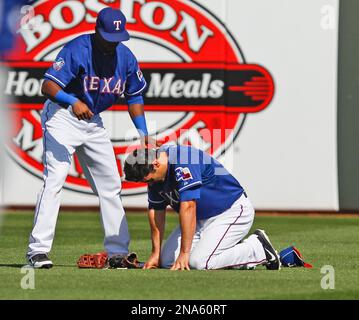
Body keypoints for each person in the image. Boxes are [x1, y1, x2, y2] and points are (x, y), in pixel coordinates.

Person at [26, 7, 154, 268]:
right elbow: (48, 85)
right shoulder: (78, 49)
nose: (113, 43)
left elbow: (135, 95)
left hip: (92, 121)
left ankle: (118, 253)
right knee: (55, 179)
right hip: (62, 116)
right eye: (109, 37)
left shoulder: (125, 57)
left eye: (118, 37)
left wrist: (143, 134)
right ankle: (37, 250)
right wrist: (72, 101)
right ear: (97, 31)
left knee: (110, 184)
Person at [123, 145, 281, 271]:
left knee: (199, 262)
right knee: (167, 261)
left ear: (155, 164)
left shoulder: (184, 158)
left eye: (146, 179)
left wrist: (185, 253)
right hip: (199, 219)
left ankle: (258, 248)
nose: (147, 183)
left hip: (231, 211)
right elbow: (156, 212)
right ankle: (228, 250)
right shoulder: (154, 175)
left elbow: (189, 206)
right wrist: (155, 253)